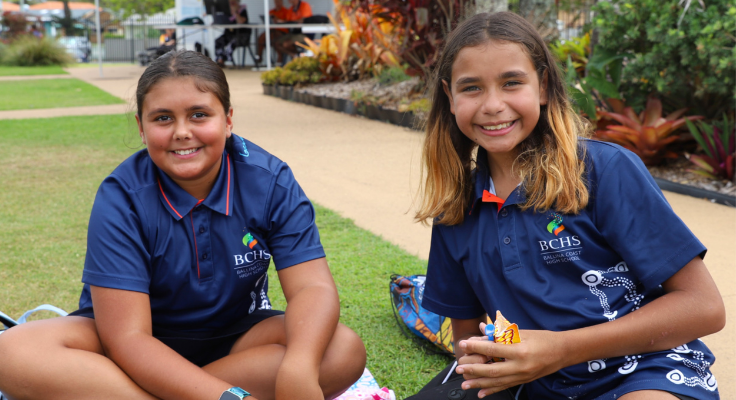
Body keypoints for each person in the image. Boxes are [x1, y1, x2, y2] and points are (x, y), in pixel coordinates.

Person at [0, 50, 366, 400]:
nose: (181, 132)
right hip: (127, 350)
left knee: (340, 349)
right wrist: (230, 398)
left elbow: (312, 288)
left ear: (228, 120)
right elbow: (127, 338)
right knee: (13, 353)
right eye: (162, 118)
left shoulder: (270, 180)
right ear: (141, 129)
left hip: (235, 341)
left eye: (199, 115)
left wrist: (298, 369)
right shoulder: (122, 196)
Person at [415, 12, 725, 400]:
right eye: (472, 88)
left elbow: (704, 307)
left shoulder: (604, 170)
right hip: (533, 385)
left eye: (512, 83)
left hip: (645, 369)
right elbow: (470, 339)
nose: (493, 105)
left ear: (543, 86)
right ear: (449, 96)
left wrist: (560, 350)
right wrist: (500, 360)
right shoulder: (455, 209)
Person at [215, 0, 252, 67]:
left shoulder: (242, 10)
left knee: (231, 43)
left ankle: (228, 60)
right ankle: (220, 60)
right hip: (229, 34)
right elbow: (221, 21)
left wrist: (235, 12)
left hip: (241, 36)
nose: (231, 2)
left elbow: (241, 21)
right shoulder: (226, 11)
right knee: (219, 40)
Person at [255, 0, 290, 65]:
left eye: (279, 1)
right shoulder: (271, 12)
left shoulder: (286, 11)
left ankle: (279, 63)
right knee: (261, 38)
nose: (277, 3)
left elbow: (288, 22)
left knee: (277, 42)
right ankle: (259, 59)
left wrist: (278, 20)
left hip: (282, 32)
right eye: (276, 1)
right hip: (271, 31)